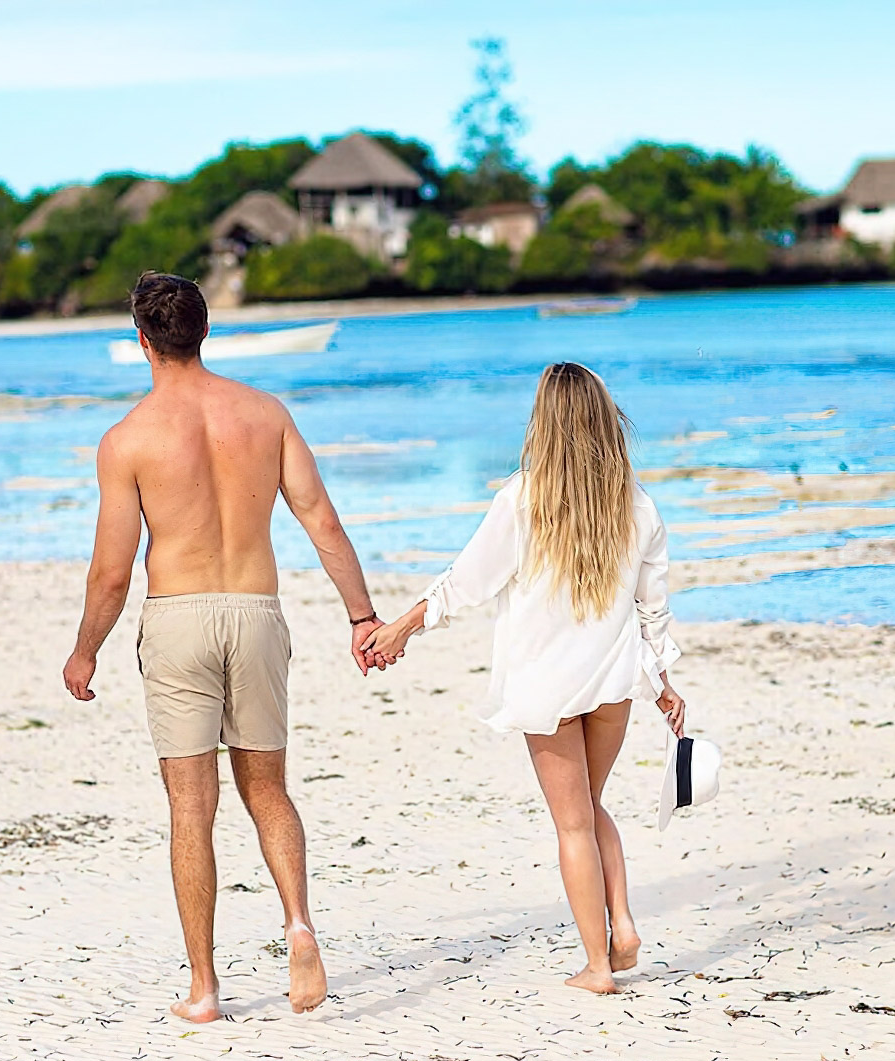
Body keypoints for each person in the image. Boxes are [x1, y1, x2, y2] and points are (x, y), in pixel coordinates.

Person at [62, 272, 386, 1023]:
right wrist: (361, 616)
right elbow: (322, 521)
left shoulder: (128, 439)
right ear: (205, 331)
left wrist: (86, 651)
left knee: (190, 806)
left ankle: (205, 988)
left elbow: (111, 572)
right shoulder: (265, 414)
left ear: (142, 340)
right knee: (268, 789)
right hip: (256, 612)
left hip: (178, 619)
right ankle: (299, 923)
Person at [364, 362, 685, 995]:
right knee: (591, 808)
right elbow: (654, 606)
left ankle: (598, 965)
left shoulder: (523, 498)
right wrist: (663, 681)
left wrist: (403, 625)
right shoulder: (637, 504)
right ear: (605, 420)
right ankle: (621, 922)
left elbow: (466, 582)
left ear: (545, 422)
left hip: (546, 689)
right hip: (614, 684)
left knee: (572, 823)